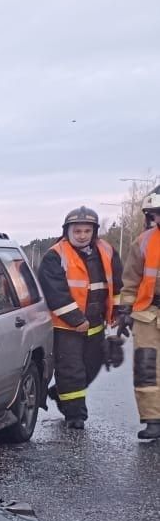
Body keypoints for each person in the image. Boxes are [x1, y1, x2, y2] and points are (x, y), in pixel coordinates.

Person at [37, 206, 123, 430]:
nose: (82, 235)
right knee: (71, 370)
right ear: (67, 231)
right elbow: (55, 293)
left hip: (96, 325)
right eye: (78, 231)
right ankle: (75, 415)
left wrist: (120, 312)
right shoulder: (55, 256)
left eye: (87, 231)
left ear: (94, 231)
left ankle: (59, 393)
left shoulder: (107, 251)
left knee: (91, 368)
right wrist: (76, 319)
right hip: (66, 327)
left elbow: (117, 285)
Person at [117, 185, 160, 440]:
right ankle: (153, 419)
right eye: (157, 213)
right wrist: (125, 311)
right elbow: (131, 280)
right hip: (148, 314)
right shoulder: (143, 241)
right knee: (146, 367)